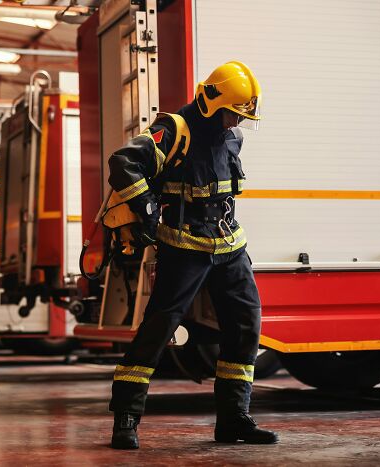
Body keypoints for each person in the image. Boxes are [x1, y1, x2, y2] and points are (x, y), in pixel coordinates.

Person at [106, 61, 279, 449]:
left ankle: (234, 419)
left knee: (246, 324)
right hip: (184, 246)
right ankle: (126, 417)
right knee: (158, 328)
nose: (237, 122)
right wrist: (147, 208)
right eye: (234, 113)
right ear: (214, 105)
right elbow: (123, 162)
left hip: (229, 245)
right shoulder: (173, 129)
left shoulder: (232, 136)